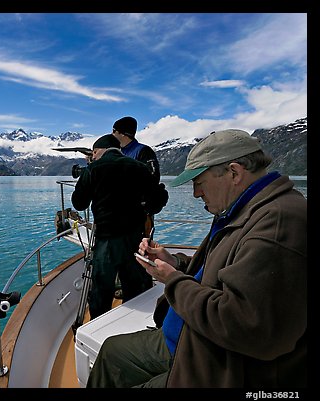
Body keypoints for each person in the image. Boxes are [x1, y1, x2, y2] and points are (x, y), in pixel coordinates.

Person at [86, 129, 307, 387]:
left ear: (234, 173)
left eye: (198, 182)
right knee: (112, 351)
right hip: (187, 334)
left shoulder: (279, 224)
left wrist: (174, 281)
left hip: (216, 362)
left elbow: (249, 327)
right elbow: (218, 271)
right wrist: (175, 263)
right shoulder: (243, 208)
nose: (195, 193)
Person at [71, 134, 161, 320]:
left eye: (94, 153)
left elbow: (79, 203)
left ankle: (98, 328)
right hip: (135, 239)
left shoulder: (93, 169)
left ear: (97, 151)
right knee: (136, 288)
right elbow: (157, 201)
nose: (93, 157)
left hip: (107, 240)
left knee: (101, 292)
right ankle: (134, 326)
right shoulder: (139, 168)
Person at [111, 116, 160, 183]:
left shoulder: (144, 151)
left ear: (122, 133)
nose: (112, 134)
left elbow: (153, 177)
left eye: (114, 131)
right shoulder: (116, 152)